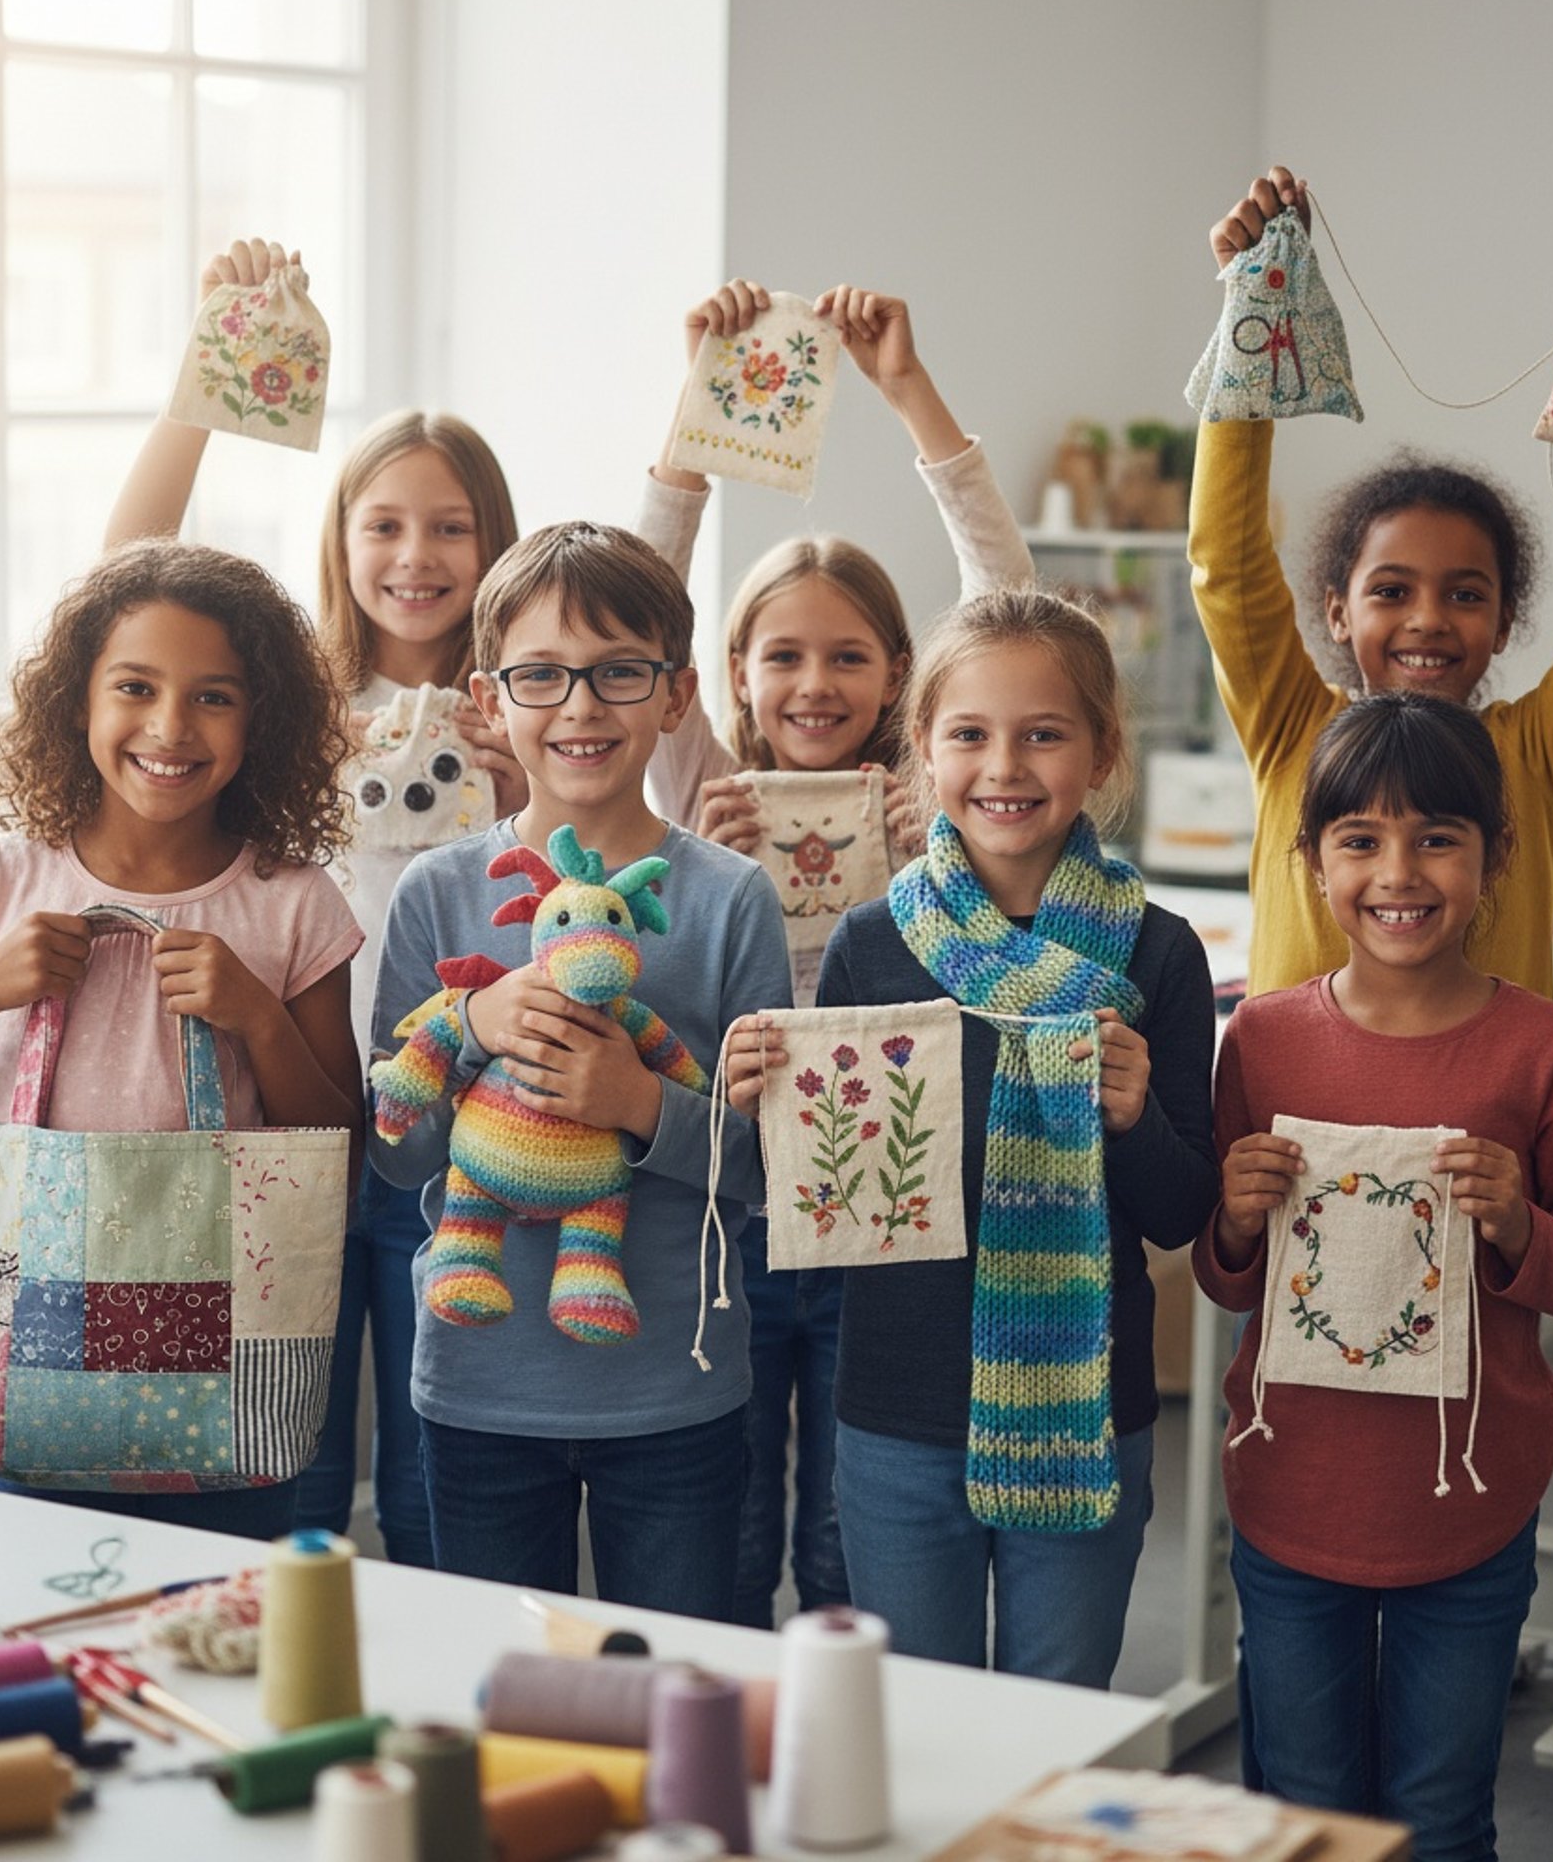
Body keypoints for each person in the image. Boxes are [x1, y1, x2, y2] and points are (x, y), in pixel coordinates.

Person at [106, 238, 524, 1566]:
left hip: (462, 1132)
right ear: (340, 540)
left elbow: (589, 895)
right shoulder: (289, 699)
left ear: (495, 542)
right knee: (292, 1469)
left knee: (440, 1474)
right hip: (293, 1120)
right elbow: (129, 569)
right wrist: (208, 371)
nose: (417, 555)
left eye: (451, 526)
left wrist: (530, 787)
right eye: (384, 524)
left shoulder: (528, 705)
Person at [725, 588, 1218, 1684]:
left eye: (1044, 734)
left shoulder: (1159, 954)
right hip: (895, 1415)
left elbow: (1185, 1212)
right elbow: (831, 1207)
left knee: (1058, 1715)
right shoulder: (871, 944)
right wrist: (764, 1113)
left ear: (1102, 751)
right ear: (923, 748)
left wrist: (1133, 1119)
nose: (1005, 766)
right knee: (924, 1726)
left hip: (1088, 1410)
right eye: (970, 735)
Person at [638, 280, 1036, 1629]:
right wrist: (700, 412)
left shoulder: (937, 796)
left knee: (848, 1537)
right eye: (785, 657)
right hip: (742, 1203)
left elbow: (1010, 602)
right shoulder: (694, 783)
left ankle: (846, 1717)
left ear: (900, 673)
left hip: (882, 1198)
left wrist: (908, 392)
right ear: (729, 674)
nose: (815, 685)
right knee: (736, 1514)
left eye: (850, 658)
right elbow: (642, 603)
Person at [1196, 691, 1553, 1861]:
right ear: (1312, 860)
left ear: (1496, 855)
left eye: (1438, 837)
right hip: (1291, 1498)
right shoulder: (1263, 1040)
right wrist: (1233, 1218)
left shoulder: (1547, 1049)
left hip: (1470, 1510)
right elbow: (1228, 1282)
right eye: (1361, 839)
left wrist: (1521, 1227)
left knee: (1441, 1819)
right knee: (1306, 1812)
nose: (1399, 873)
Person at [0, 540, 364, 1539]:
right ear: (76, 702)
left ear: (262, 718)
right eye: (135, 687)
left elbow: (340, 1165)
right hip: (38, 1397)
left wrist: (259, 1018)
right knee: (52, 1604)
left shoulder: (293, 905)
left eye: (214, 697)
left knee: (229, 1614)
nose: (170, 727)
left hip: (234, 1417)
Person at [367, 520, 791, 1620]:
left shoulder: (732, 900)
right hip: (478, 1382)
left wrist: (641, 1104)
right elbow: (393, 1153)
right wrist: (470, 1023)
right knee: (506, 1683)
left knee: (678, 1673)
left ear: (677, 694)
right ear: (490, 697)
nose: (580, 706)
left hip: (676, 1387)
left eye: (618, 673)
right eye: (542, 675)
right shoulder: (436, 894)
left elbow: (778, 1171)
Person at [1191, 167, 1553, 999]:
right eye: (1391, 591)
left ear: (1504, 622)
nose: (1427, 619)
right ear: (1337, 612)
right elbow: (1229, 566)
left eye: (1466, 595)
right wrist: (1253, 310)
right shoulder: (1291, 730)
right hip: (1292, 1094)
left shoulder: (1532, 756)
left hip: (1493, 1096)